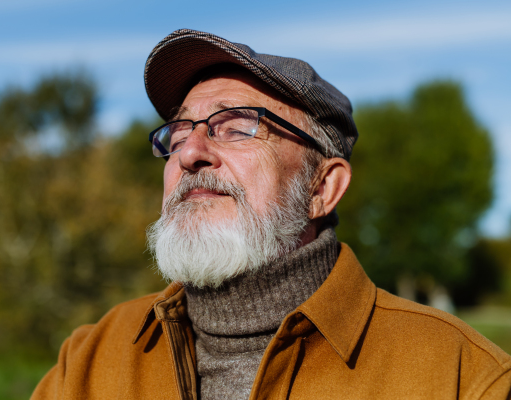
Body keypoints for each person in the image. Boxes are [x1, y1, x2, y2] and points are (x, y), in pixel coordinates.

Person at [31, 29, 511, 400]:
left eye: (236, 127)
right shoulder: (90, 360)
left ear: (322, 188)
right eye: (177, 133)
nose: (189, 152)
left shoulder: (462, 376)